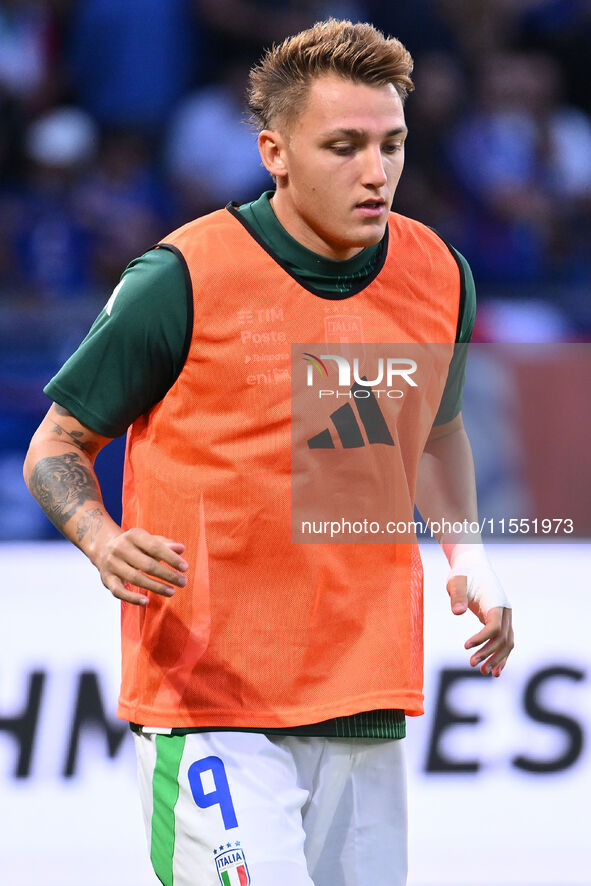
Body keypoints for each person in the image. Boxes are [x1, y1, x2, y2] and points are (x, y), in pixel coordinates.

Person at [23, 19, 514, 886]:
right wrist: (101, 538)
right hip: (209, 700)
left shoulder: (439, 273)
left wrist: (468, 558)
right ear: (273, 151)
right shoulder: (180, 276)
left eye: (391, 144)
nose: (376, 171)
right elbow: (56, 445)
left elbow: (436, 434)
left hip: (362, 691)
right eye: (343, 146)